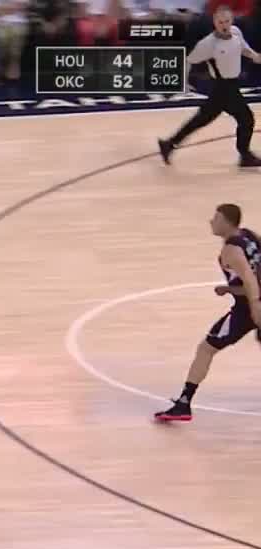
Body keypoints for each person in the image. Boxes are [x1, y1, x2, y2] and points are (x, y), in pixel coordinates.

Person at [156, 204, 261, 422]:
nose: (212, 221)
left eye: (217, 218)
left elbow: (251, 280)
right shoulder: (250, 236)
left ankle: (184, 404)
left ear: (227, 223)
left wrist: (255, 305)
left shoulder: (231, 249)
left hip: (247, 310)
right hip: (251, 302)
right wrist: (230, 289)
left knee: (206, 348)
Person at [159, 5, 261, 168]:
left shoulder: (236, 32)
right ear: (215, 22)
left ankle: (168, 144)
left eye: (227, 21)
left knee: (202, 119)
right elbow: (190, 60)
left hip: (229, 86)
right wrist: (182, 81)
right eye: (220, 22)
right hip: (223, 86)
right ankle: (245, 156)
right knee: (246, 119)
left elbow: (245, 49)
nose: (224, 25)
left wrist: (255, 56)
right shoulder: (208, 43)